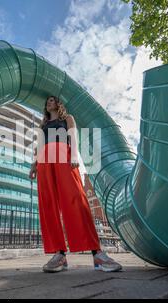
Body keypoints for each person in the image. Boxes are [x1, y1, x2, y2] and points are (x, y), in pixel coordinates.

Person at [29, 95, 123, 273]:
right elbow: (39, 146)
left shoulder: (68, 118)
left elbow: (73, 136)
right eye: (46, 101)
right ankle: (59, 254)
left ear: (58, 104)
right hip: (44, 160)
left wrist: (73, 155)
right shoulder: (43, 125)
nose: (48, 103)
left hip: (64, 155)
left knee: (76, 198)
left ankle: (97, 254)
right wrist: (34, 165)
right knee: (48, 203)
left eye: (51, 100)